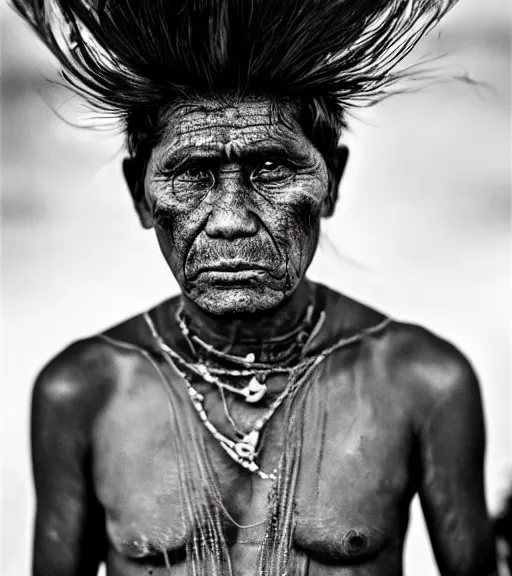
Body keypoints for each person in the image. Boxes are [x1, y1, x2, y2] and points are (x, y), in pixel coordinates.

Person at [13, 0, 496, 574]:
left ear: (331, 182)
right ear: (140, 194)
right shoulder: (83, 392)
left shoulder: (421, 382)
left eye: (270, 168)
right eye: (192, 174)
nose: (230, 219)